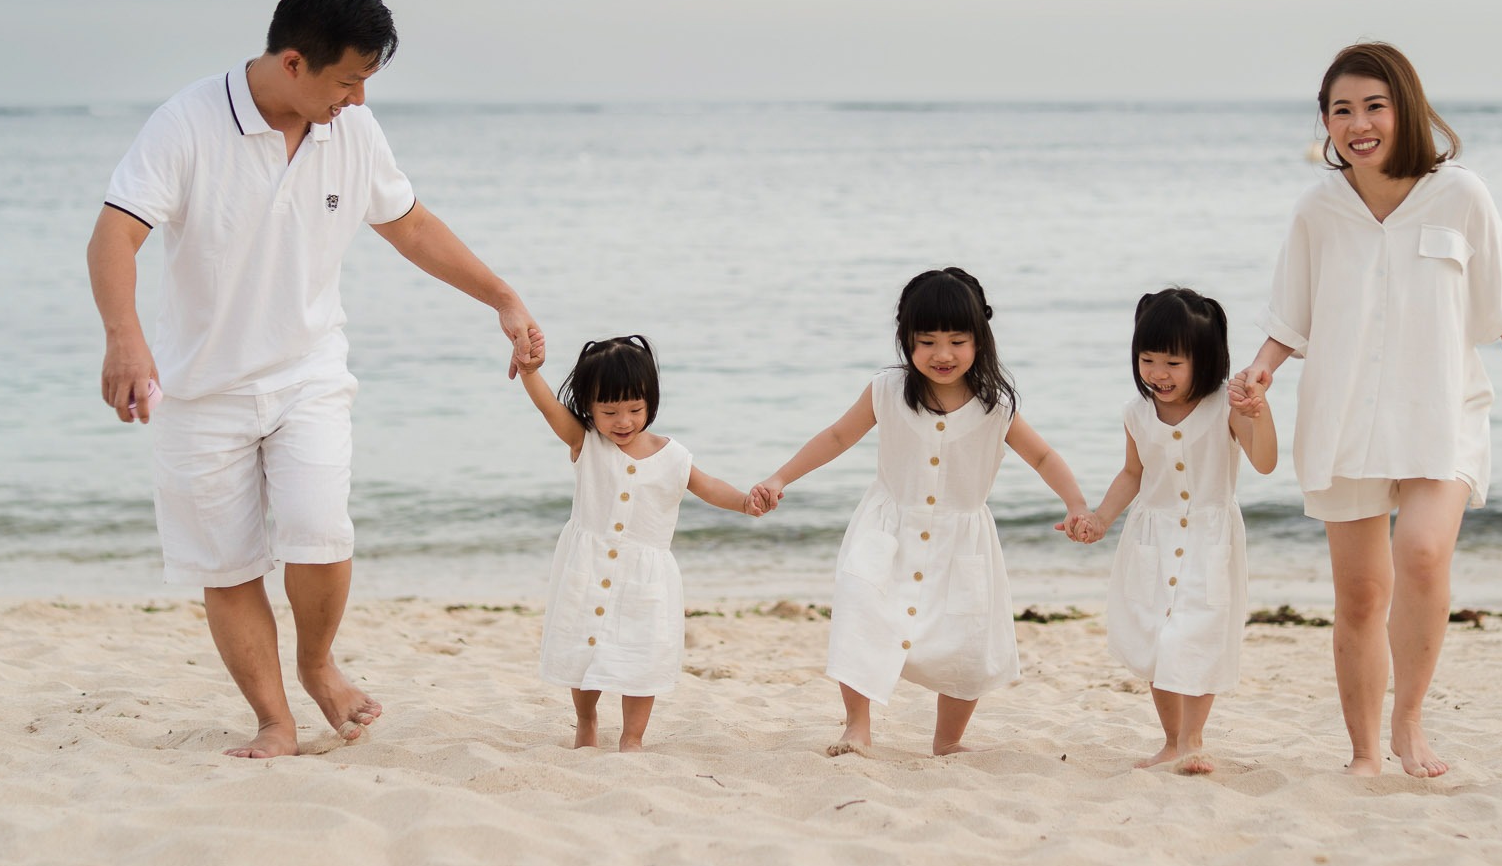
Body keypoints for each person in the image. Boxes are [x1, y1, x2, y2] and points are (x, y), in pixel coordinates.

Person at [87, 0, 542, 760]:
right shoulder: (186, 122)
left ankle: (317, 661)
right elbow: (115, 234)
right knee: (226, 569)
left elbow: (410, 224)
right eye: (349, 79)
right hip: (200, 390)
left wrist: (501, 295)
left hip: (308, 375)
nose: (358, 99)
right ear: (294, 62)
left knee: (321, 534)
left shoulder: (352, 129)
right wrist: (125, 336)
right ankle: (275, 719)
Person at [1232, 42, 1502, 778]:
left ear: (1405, 109)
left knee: (1421, 552)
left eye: (1374, 105)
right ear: (1325, 123)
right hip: (1343, 417)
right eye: (1341, 109)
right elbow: (1291, 317)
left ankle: (1408, 721)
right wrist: (1259, 373)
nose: (1359, 123)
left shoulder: (1462, 195)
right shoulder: (1317, 209)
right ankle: (1364, 753)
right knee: (1360, 594)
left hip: (1441, 412)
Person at [748, 268, 1096, 757]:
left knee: (966, 643)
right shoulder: (886, 392)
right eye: (926, 340)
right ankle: (857, 727)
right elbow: (836, 437)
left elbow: (1042, 456)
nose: (943, 354)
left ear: (980, 340)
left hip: (962, 543)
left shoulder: (997, 407)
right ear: (906, 340)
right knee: (862, 615)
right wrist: (779, 478)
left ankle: (949, 740)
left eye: (957, 339)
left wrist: (1076, 503)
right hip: (886, 529)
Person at [512, 334, 757, 752]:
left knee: (641, 657)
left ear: (651, 402)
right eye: (608, 411)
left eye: (634, 409)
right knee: (582, 650)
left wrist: (745, 503)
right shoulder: (586, 441)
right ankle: (586, 723)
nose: (622, 421)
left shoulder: (673, 455)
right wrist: (531, 373)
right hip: (588, 568)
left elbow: (708, 486)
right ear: (589, 406)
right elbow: (548, 407)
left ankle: (632, 738)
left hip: (646, 577)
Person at [1081, 288, 1276, 774]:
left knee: (1199, 635)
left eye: (1173, 362)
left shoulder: (1223, 407)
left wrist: (1259, 413)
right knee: (1158, 639)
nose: (1158, 374)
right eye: (1148, 359)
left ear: (1204, 361)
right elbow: (1132, 473)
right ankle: (1171, 741)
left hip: (1210, 541)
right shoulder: (1136, 413)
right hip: (1152, 539)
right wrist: (1101, 517)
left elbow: (1266, 462)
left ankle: (1193, 739)